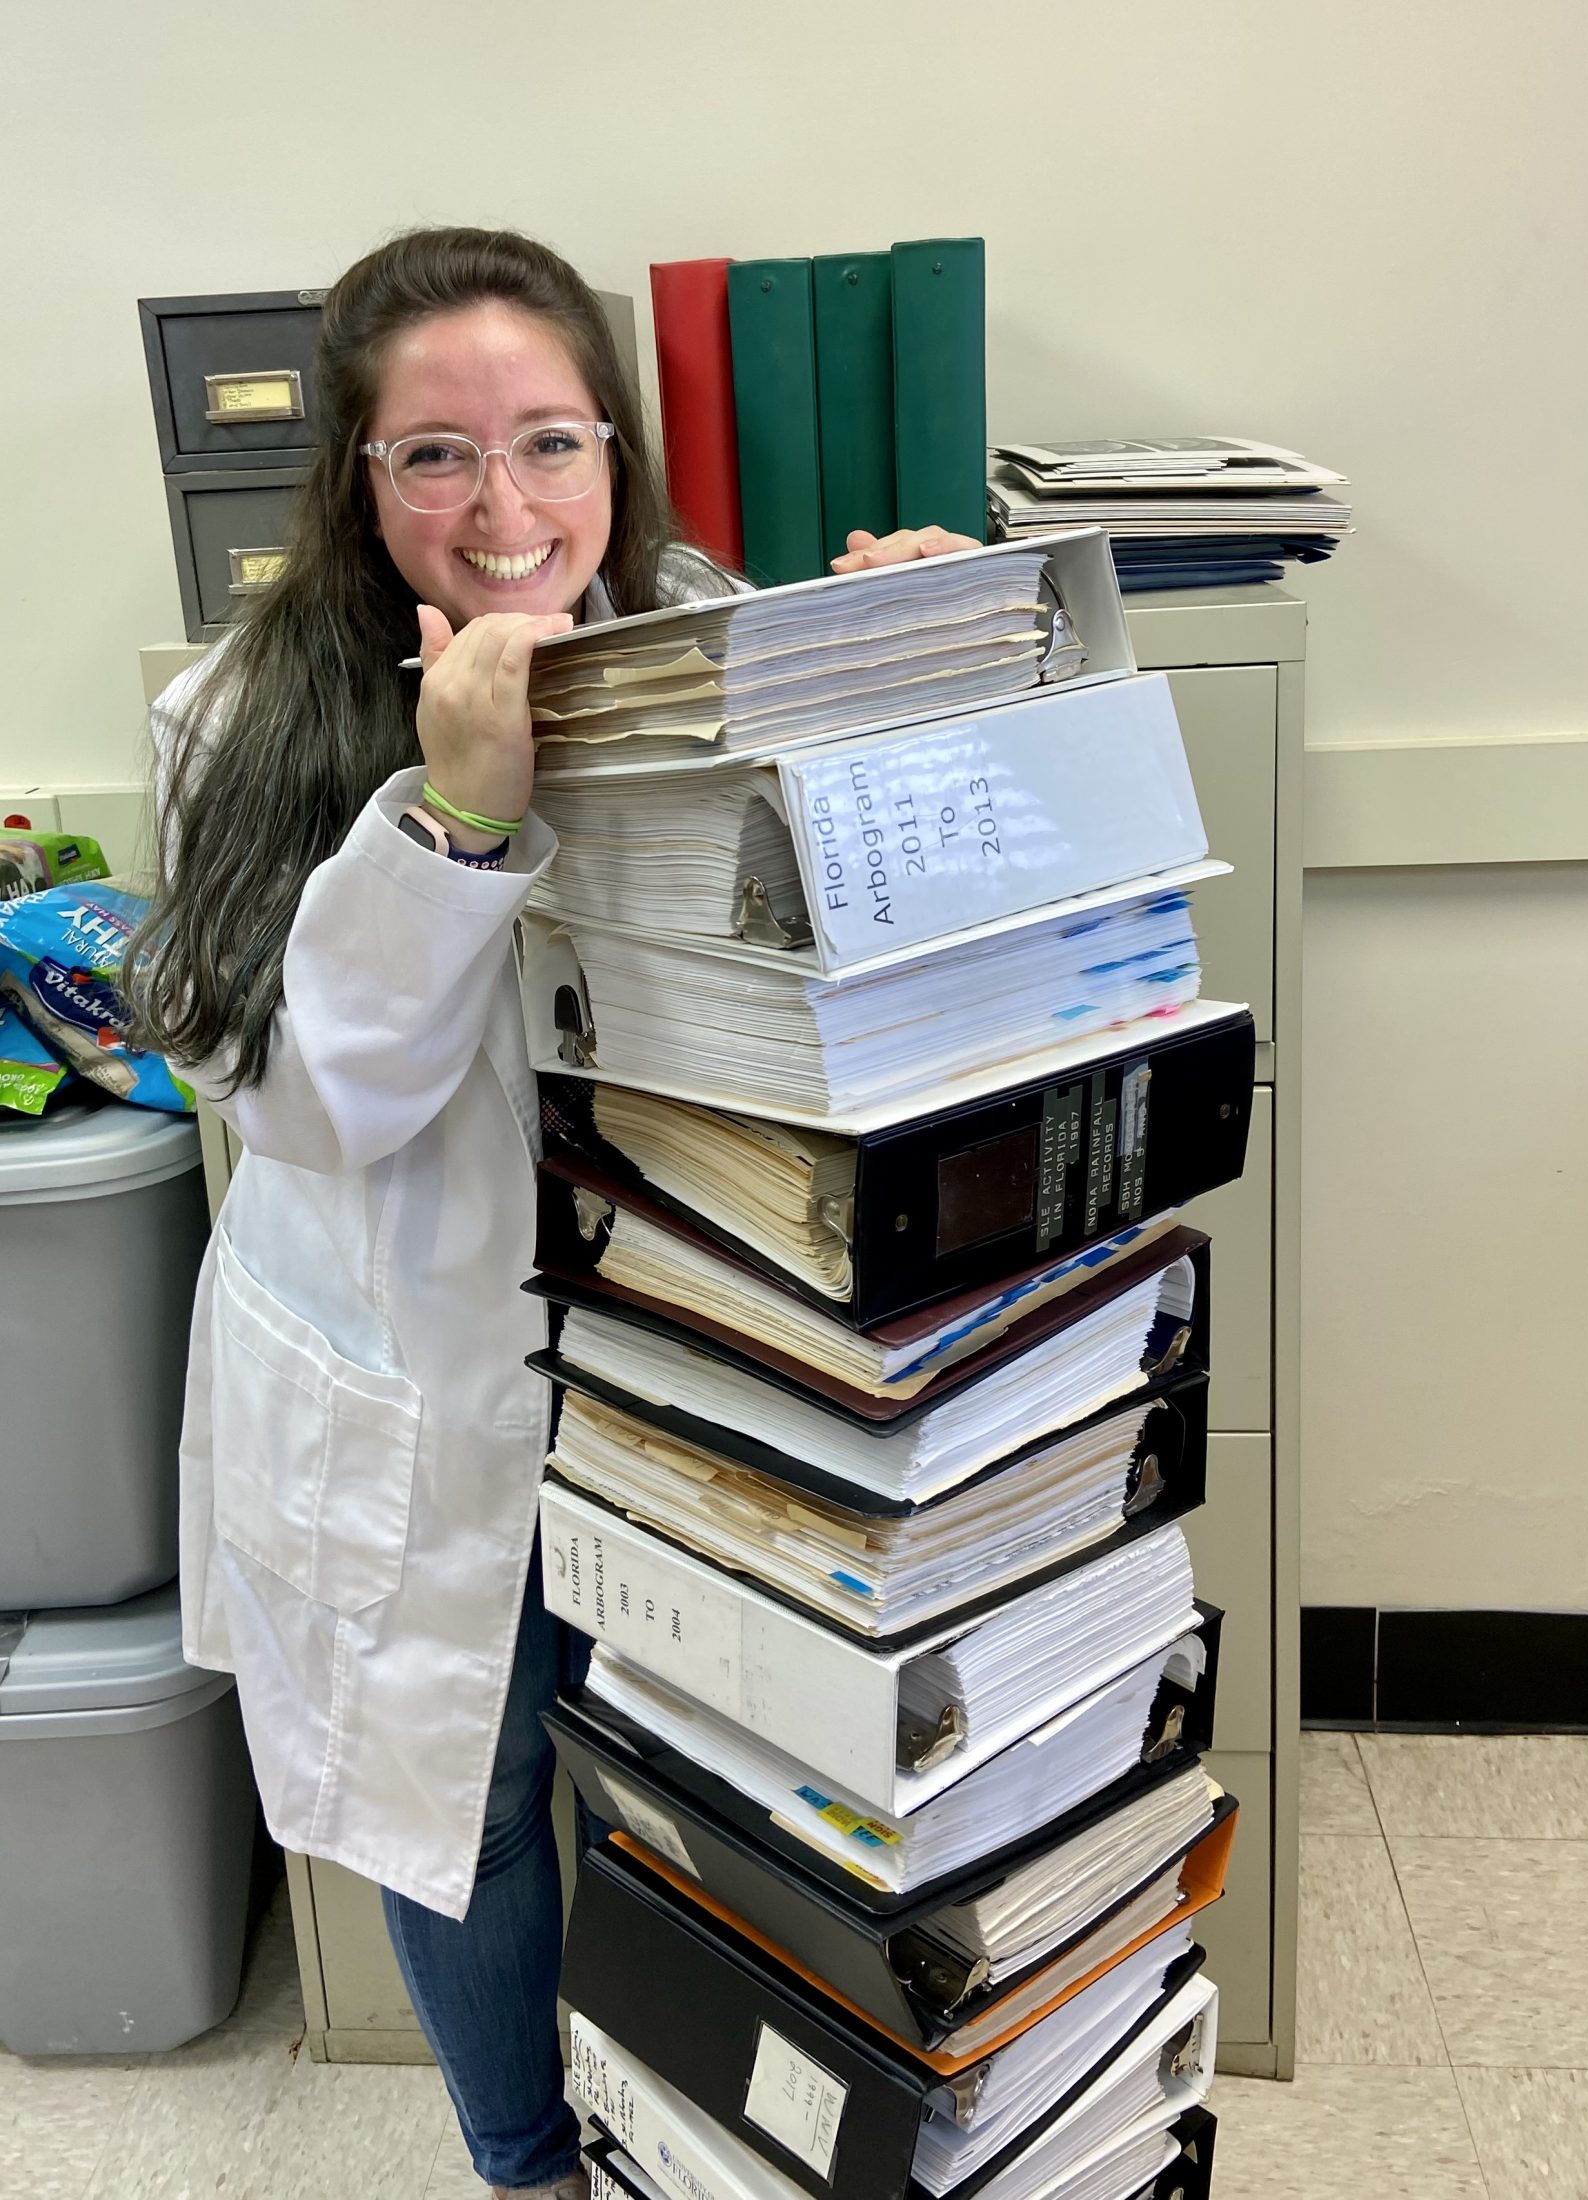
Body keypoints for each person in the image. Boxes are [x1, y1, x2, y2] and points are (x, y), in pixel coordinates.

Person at [131, 224, 977, 2200]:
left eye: (550, 442)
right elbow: (312, 1104)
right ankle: (529, 2164)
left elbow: (907, 951)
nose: (503, 510)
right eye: (433, 454)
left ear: (621, 452)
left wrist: (933, 678)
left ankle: (711, 2141)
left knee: (727, 1790)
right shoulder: (240, 718)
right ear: (354, 480)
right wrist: (458, 819)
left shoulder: (705, 639)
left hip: (696, 1359)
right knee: (484, 1806)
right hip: (421, 1384)